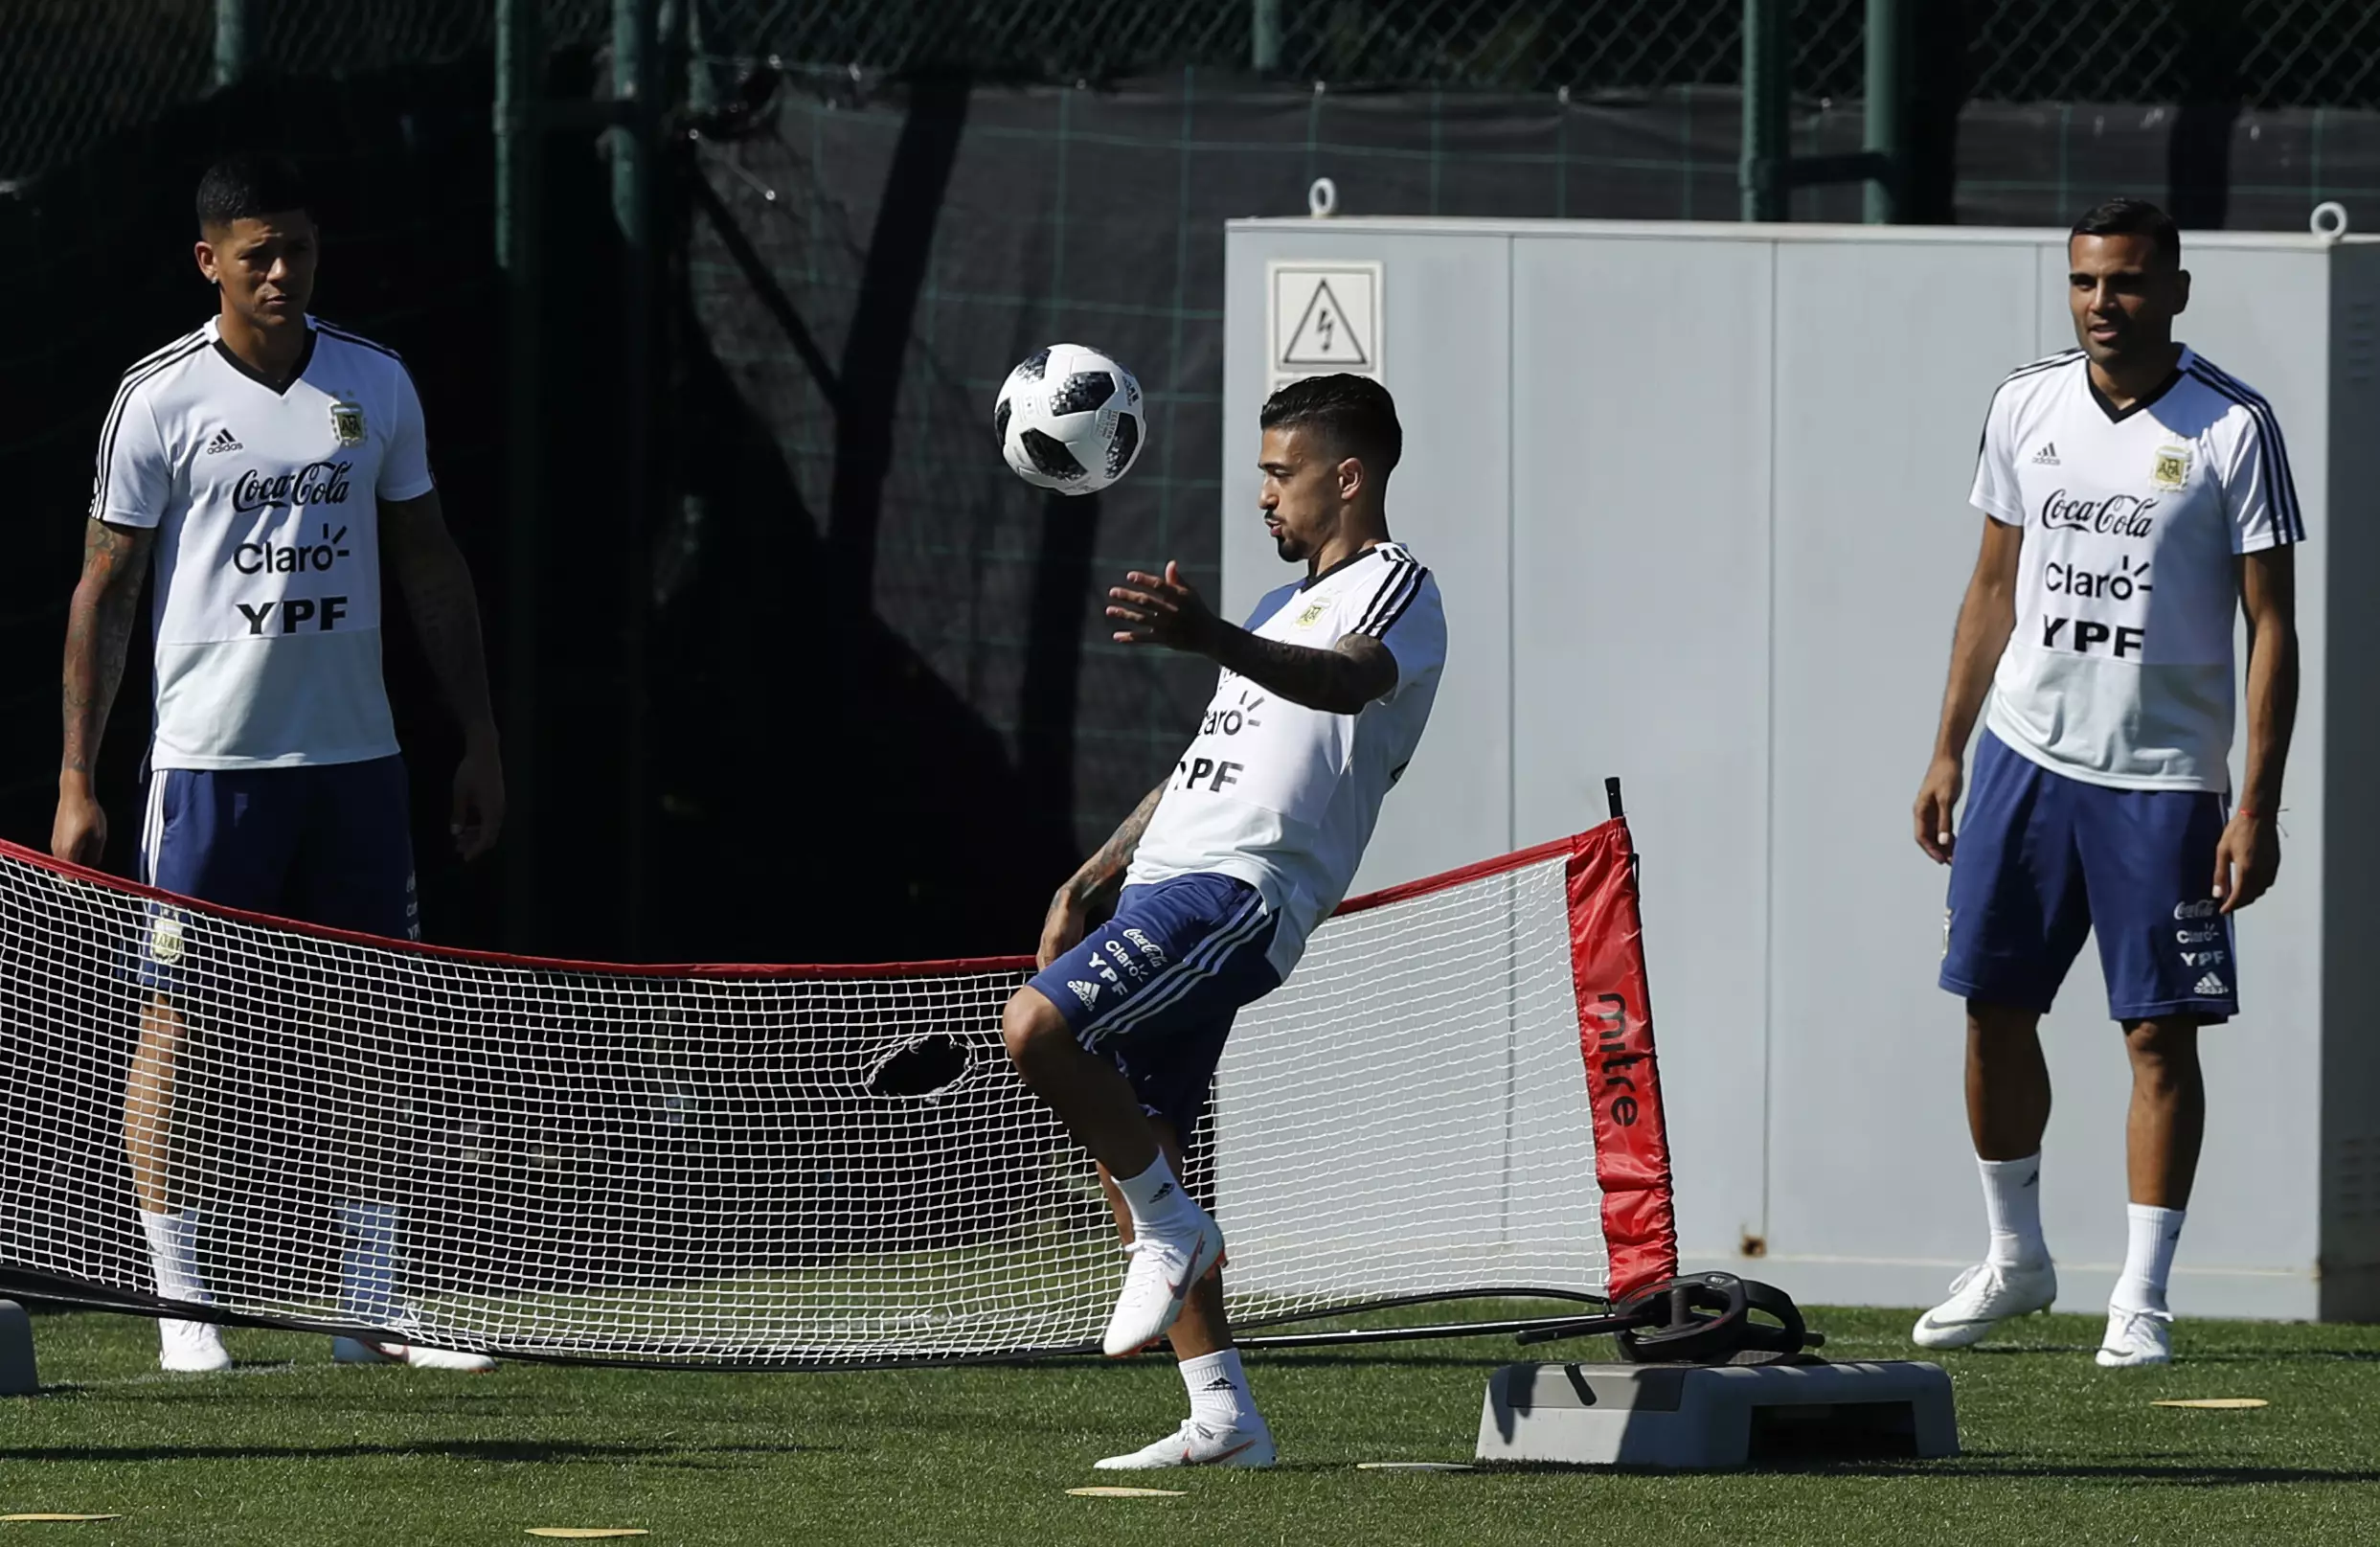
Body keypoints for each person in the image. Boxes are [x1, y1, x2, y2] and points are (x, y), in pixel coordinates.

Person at [53, 153, 507, 1375]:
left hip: (358, 759)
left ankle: (371, 1298)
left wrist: (476, 736)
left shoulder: (374, 383)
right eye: (255, 252)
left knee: (377, 1025)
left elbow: (429, 560)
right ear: (209, 261)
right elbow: (103, 590)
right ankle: (182, 1299)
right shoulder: (158, 400)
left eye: (296, 249)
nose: (279, 272)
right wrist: (79, 776)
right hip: (209, 769)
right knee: (181, 1027)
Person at [1001, 374, 1444, 1467]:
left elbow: (1344, 686)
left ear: (1347, 476)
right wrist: (1093, 872)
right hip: (1167, 881)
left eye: (1277, 473)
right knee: (1137, 1138)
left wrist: (1210, 637)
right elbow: (1206, 760)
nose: (1263, 497)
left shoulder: (1396, 587)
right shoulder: (1267, 610)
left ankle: (1174, 1228)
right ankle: (1223, 1415)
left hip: (1244, 889)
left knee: (1037, 1031)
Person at [1911, 197, 2301, 1368]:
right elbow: (1991, 587)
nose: (2102, 305)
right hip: (2023, 759)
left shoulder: (2233, 427)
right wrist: (1947, 746)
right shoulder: (2023, 404)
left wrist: (2256, 804)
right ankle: (2015, 1255)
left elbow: (2271, 627)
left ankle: (2142, 1294)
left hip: (2164, 782)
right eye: (2084, 282)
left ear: (2174, 290)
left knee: (2156, 1035)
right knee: (1990, 1006)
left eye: (2126, 283)